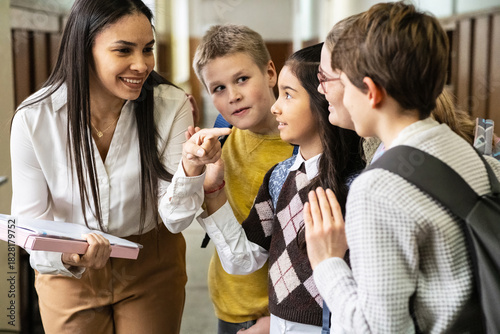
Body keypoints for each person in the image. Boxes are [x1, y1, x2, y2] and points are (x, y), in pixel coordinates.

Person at [9, 0, 227, 333]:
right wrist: (68, 256)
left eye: (148, 49)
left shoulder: (170, 105)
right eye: (123, 50)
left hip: (151, 262)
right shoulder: (35, 119)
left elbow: (175, 218)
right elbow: (27, 225)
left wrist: (191, 167)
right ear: (84, 49)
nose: (141, 65)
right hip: (68, 271)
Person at [304, 2, 500, 333]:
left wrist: (327, 262)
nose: (335, 97)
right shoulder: (471, 154)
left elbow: (377, 329)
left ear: (371, 92)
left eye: (346, 84)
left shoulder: (377, 188)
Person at [188, 43, 364, 333]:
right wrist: (214, 190)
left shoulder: (357, 184)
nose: (275, 106)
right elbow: (243, 259)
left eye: (288, 95)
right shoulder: (279, 177)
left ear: (324, 100)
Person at [191, 24, 295, 334]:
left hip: (284, 315)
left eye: (242, 79)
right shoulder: (222, 135)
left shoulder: (304, 145)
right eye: (219, 88)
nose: (233, 96)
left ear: (270, 72)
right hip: (230, 304)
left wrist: (278, 320)